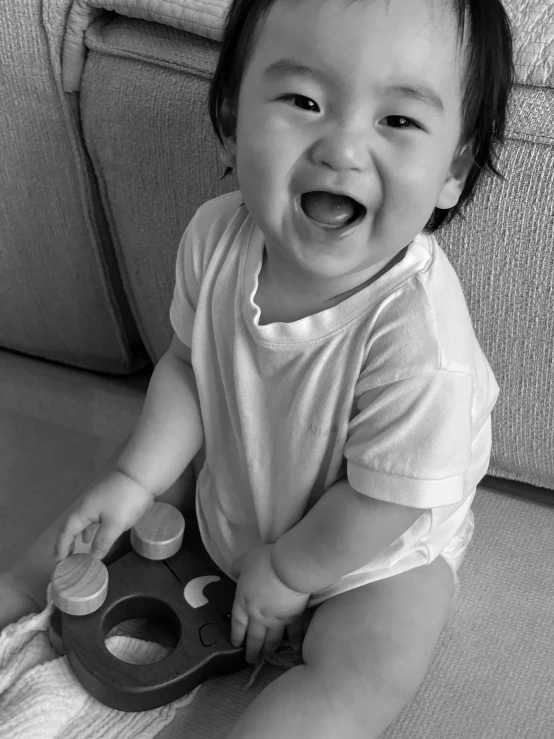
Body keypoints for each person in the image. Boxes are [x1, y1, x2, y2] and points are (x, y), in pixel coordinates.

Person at [1, 0, 514, 735]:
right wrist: (136, 480)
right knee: (102, 512)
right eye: (304, 101)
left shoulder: (421, 342)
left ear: (453, 171)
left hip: (372, 547)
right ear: (233, 123)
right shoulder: (215, 238)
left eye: (397, 120)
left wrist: (288, 572)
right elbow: (187, 366)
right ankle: (20, 589)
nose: (342, 147)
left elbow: (385, 500)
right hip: (242, 482)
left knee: (368, 659)